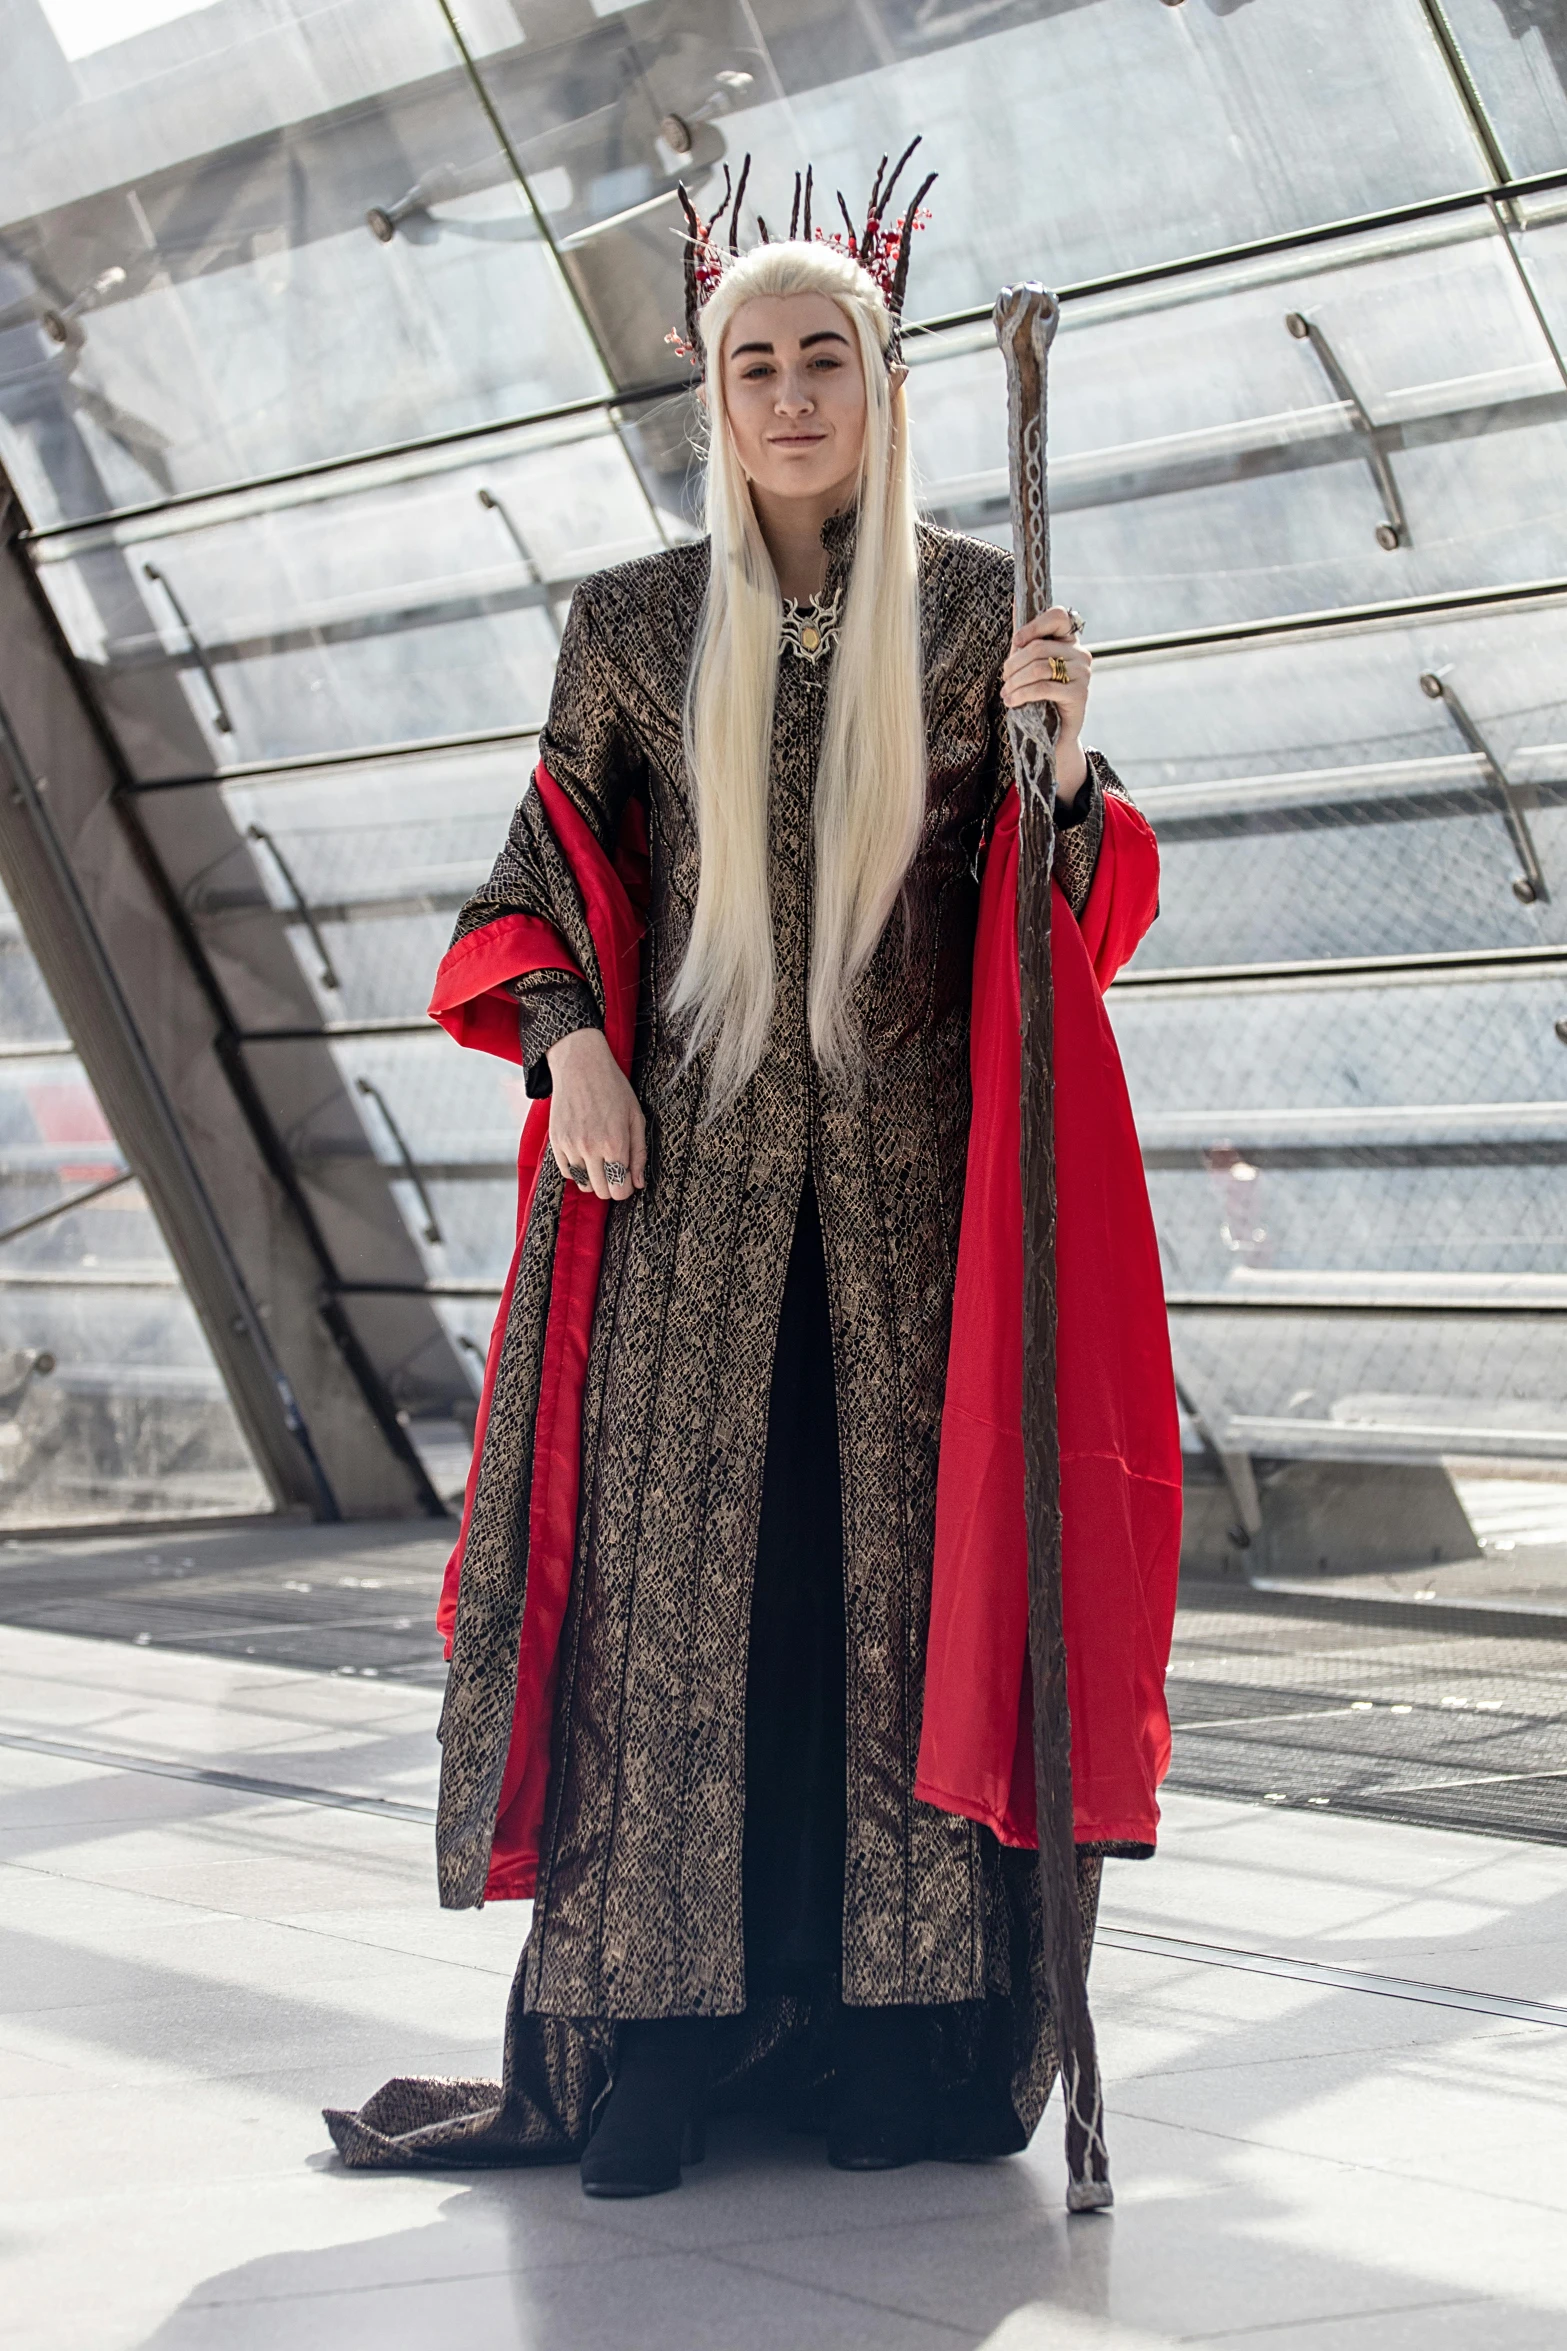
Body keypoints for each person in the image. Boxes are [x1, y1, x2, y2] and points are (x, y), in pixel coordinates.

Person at [325, 156, 1180, 2199]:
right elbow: (527, 892)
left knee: (894, 1601)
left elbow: (1066, 908)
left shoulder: (985, 615)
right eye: (753, 363)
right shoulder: (626, 627)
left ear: (880, 384)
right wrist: (581, 1046)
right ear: (713, 396)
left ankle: (908, 2026)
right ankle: (662, 2047)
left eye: (827, 359)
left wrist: (1064, 766)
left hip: (917, 1224)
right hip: (681, 1218)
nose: (790, 393)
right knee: (683, 1612)